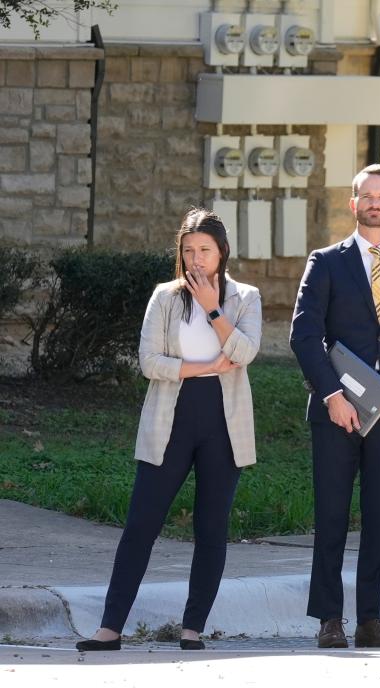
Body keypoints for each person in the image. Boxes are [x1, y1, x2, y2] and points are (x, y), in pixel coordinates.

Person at [76, 208, 262, 652]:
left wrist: (212, 309)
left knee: (211, 528)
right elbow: (149, 362)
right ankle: (110, 628)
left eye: (205, 250)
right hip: (171, 419)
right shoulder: (164, 297)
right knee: (141, 523)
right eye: (188, 250)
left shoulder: (244, 297)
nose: (196, 259)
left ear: (222, 253)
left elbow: (246, 351)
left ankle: (192, 628)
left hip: (223, 423)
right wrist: (203, 367)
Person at [290, 163, 380, 649]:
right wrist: (331, 396)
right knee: (331, 515)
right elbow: (305, 334)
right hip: (335, 413)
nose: (375, 203)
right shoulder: (326, 262)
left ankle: (371, 618)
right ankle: (330, 618)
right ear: (353, 205)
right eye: (366, 196)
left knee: (379, 518)